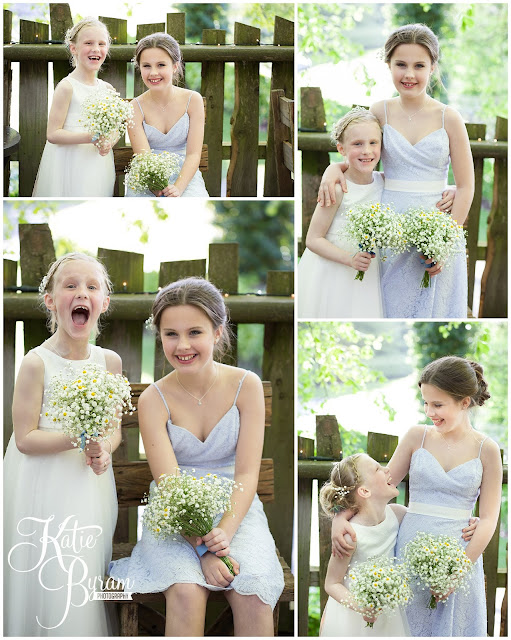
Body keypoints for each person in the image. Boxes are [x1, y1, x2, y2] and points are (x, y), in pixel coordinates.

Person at [109, 278, 284, 636]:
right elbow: (170, 485)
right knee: (187, 592)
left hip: (237, 510)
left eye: (195, 332)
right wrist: (203, 548)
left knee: (252, 592)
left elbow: (248, 474)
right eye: (171, 334)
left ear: (218, 332)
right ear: (159, 335)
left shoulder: (245, 386)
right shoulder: (153, 400)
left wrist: (223, 535)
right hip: (175, 516)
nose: (183, 345)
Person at [330, 356, 502, 637]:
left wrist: (456, 572)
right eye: (425, 402)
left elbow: (489, 518)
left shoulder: (487, 449)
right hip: (410, 550)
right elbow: (376, 488)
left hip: (460, 554)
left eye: (437, 404)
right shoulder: (416, 437)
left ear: (465, 401)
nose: (429, 412)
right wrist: (340, 516)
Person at [318, 24, 473, 318]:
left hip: (438, 226)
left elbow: (465, 186)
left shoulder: (449, 118)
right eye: (400, 64)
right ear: (388, 64)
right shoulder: (380, 111)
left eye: (419, 65)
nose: (409, 74)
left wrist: (443, 243)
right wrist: (332, 168)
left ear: (433, 67)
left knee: (435, 308)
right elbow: (360, 153)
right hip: (389, 227)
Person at [4, 253, 122, 636]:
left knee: (80, 565)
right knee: (43, 567)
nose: (81, 292)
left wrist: (104, 449)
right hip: (40, 485)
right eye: (70, 285)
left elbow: (113, 428)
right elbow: (24, 439)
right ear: (52, 300)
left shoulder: (110, 363)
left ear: (103, 302)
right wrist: (79, 437)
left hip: (87, 488)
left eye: (91, 287)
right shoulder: (36, 363)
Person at [298, 108, 385, 318]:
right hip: (334, 272)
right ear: (341, 148)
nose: (367, 151)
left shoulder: (385, 183)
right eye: (357, 144)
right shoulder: (337, 188)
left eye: (373, 143)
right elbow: (313, 239)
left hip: (370, 273)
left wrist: (453, 189)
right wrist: (350, 259)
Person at [319, 454, 410, 636]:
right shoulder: (351, 535)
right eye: (378, 469)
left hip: (388, 614)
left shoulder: (398, 515)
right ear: (365, 491)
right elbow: (332, 583)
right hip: (352, 618)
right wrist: (361, 607)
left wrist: (474, 521)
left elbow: (426, 520)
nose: (387, 470)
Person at [32, 18, 117, 197]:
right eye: (88, 43)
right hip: (68, 162)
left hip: (97, 163)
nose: (96, 49)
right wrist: (90, 137)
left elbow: (115, 127)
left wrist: (109, 141)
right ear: (74, 48)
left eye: (102, 44)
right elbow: (53, 134)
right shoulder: (67, 87)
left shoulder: (107, 89)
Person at [126, 33, 209, 197]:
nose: (153, 73)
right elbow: (143, 157)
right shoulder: (135, 107)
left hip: (185, 174)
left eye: (161, 65)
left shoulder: (193, 101)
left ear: (175, 66)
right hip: (146, 175)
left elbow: (193, 154)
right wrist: (155, 185)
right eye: (146, 66)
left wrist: (178, 187)